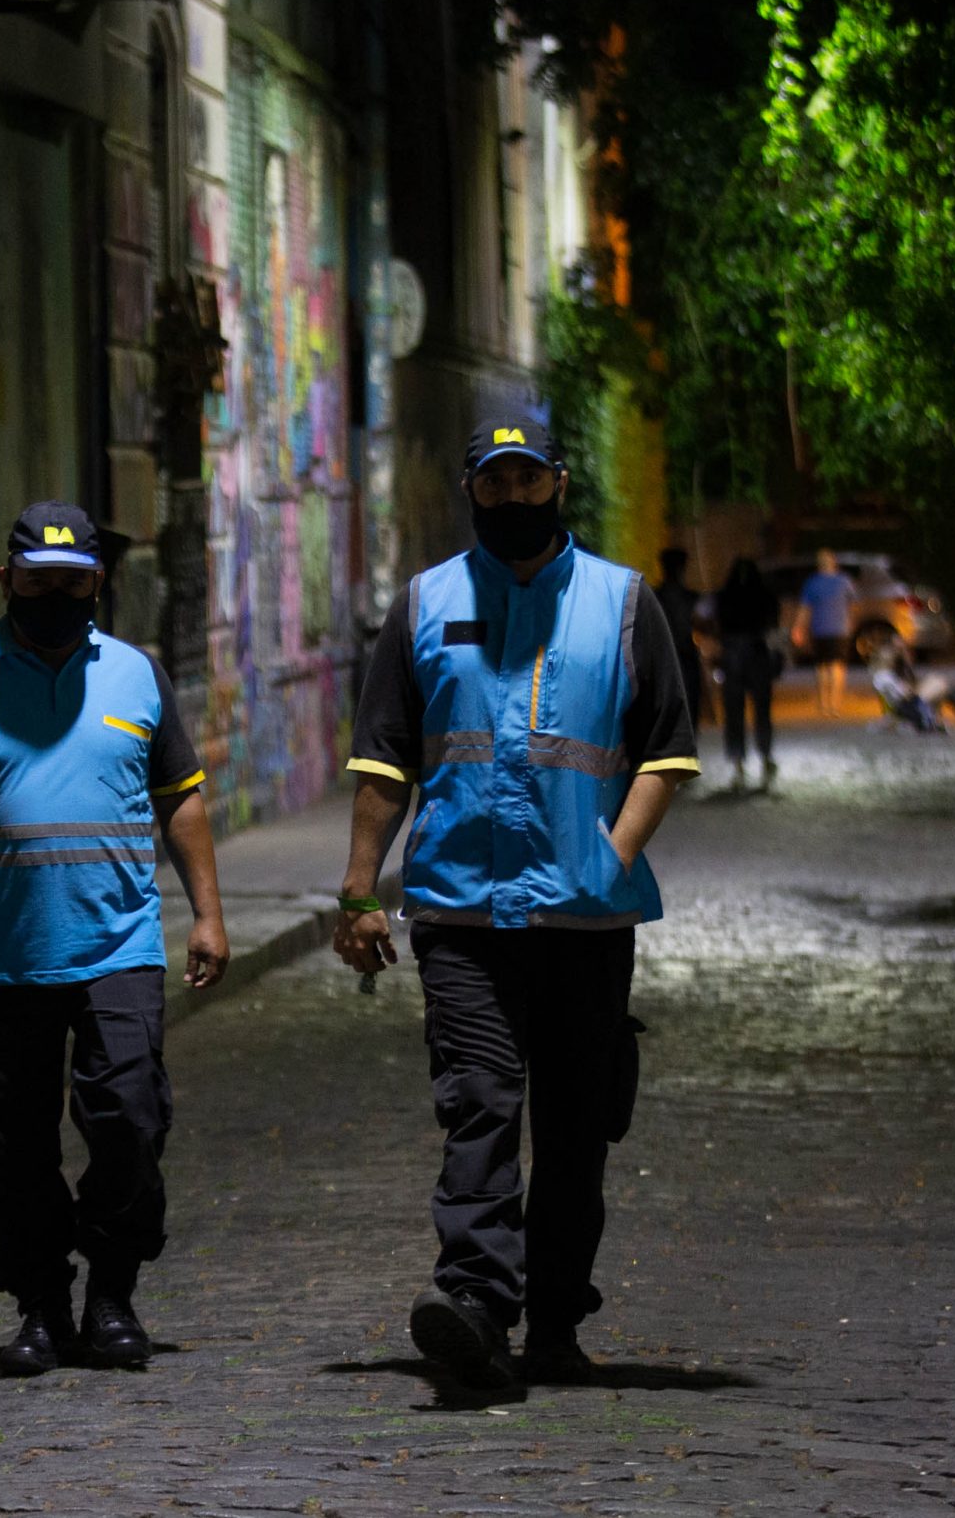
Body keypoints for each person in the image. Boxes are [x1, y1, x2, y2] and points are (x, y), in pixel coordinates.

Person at [335, 411, 698, 1393]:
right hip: (459, 912)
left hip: (582, 922)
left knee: (577, 1134)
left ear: (558, 482)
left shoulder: (623, 604)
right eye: (492, 482)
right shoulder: (425, 603)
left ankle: (553, 1325)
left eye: (526, 480)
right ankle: (476, 1308)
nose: (510, 497)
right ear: (470, 487)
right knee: (479, 1110)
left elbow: (665, 751)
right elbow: (381, 757)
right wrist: (360, 889)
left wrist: (611, 856)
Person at [0, 500, 230, 1377]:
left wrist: (209, 912)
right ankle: (41, 1303)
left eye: (70, 583)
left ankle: (111, 1291)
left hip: (118, 943)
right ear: (6, 580)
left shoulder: (135, 676)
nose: (53, 596)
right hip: (7, 953)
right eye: (37, 582)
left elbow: (181, 796)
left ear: (96, 584)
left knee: (129, 1118)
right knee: (13, 1140)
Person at [713, 557, 781, 791]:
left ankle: (738, 763)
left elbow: (716, 625)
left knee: (734, 711)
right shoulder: (765, 595)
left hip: (732, 655)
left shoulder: (724, 596)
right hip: (757, 654)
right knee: (762, 710)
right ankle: (764, 756)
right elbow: (773, 625)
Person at [870, 636, 955, 734]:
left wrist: (906, 659)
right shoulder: (883, 676)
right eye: (894, 651)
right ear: (883, 654)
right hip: (909, 709)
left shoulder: (892, 672)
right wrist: (923, 687)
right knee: (942, 684)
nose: (896, 654)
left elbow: (909, 688)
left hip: (910, 705)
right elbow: (906, 694)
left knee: (941, 682)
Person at [797, 549, 858, 718]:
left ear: (819, 564)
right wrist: (851, 623)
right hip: (840, 629)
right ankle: (835, 705)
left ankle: (824, 706)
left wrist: (799, 627)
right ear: (834, 563)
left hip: (820, 629)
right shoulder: (844, 581)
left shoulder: (812, 582)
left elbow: (805, 608)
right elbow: (852, 604)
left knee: (822, 667)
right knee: (837, 667)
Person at [653, 548, 705, 727]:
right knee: (690, 705)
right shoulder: (692, 598)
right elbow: (703, 625)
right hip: (686, 655)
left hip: (661, 659)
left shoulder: (652, 597)